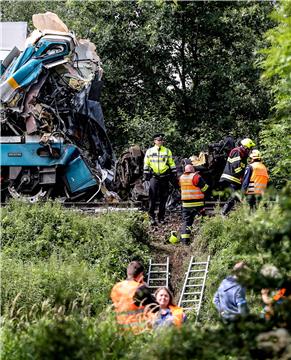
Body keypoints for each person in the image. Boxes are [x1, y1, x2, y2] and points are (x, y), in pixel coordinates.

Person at [110, 260, 158, 333]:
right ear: (140, 274)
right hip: (137, 329)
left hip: (120, 329)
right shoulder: (139, 288)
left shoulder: (116, 287)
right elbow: (155, 308)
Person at [143, 133, 177, 225]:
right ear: (154, 141)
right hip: (154, 177)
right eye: (158, 140)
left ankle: (161, 218)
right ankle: (151, 218)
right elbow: (146, 162)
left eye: (161, 140)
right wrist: (146, 172)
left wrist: (174, 171)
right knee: (152, 198)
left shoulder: (167, 151)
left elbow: (171, 162)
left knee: (163, 198)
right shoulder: (149, 151)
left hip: (164, 177)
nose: (160, 142)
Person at [219, 138, 256, 216]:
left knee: (239, 197)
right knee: (234, 195)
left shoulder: (243, 155)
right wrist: (245, 175)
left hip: (235, 180)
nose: (250, 151)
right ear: (245, 147)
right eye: (249, 149)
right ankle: (223, 213)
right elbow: (237, 168)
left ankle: (238, 214)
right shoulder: (237, 151)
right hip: (229, 178)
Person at [179, 164, 209, 245]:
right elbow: (205, 188)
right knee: (201, 220)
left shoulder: (181, 177)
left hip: (185, 205)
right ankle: (202, 240)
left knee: (187, 222)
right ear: (193, 170)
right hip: (197, 204)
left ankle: (185, 241)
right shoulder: (196, 177)